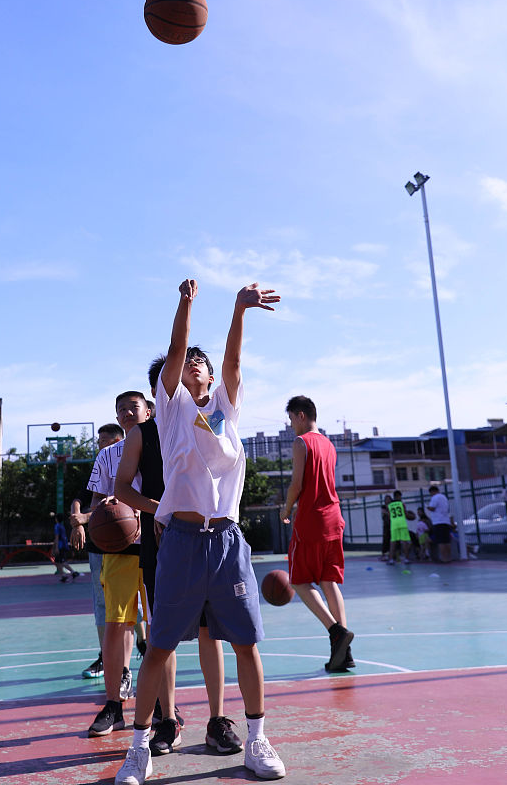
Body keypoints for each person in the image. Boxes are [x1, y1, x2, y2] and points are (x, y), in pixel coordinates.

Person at [113, 280, 286, 785]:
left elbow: (234, 360)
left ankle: (256, 739)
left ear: (211, 374)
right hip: (184, 542)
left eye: (199, 362)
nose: (191, 364)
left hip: (228, 541)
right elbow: (174, 351)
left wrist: (239, 311)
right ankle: (140, 747)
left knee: (246, 644)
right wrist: (185, 305)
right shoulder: (168, 411)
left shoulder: (227, 407)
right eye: (185, 361)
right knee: (162, 647)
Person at [115, 357, 242, 758]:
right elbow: (122, 490)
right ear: (160, 392)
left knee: (210, 629)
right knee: (163, 637)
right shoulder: (142, 436)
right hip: (163, 538)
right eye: (167, 382)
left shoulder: (208, 418)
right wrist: (160, 508)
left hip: (203, 535)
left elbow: (220, 463)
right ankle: (167, 720)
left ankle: (217, 719)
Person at [86, 394, 150, 737]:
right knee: (116, 625)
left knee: (157, 628)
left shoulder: (162, 448)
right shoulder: (107, 455)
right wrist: (97, 513)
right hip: (119, 549)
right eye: (120, 409)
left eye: (133, 407)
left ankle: (162, 706)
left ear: (149, 411)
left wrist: (142, 508)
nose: (126, 413)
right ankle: (114, 705)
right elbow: (97, 499)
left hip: (156, 546)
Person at [279, 396, 354, 673]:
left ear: (300, 415)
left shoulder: (301, 443)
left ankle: (335, 632)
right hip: (334, 518)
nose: (291, 427)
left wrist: (286, 510)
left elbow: (296, 484)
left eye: (290, 420)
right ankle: (344, 651)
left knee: (298, 581)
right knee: (328, 580)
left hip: (311, 519)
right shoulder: (329, 444)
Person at [70, 422, 124, 678]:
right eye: (99, 442)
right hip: (99, 546)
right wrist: (79, 522)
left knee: (134, 604)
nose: (100, 446)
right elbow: (80, 499)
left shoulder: (135, 462)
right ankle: (106, 657)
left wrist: (84, 519)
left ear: (117, 442)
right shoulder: (100, 466)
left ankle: (144, 647)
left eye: (104, 441)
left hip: (130, 544)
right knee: (102, 603)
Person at [425, 483, 452, 563]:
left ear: (432, 492)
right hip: (446, 521)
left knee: (441, 541)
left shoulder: (435, 498)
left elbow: (432, 508)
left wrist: (427, 507)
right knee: (447, 541)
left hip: (438, 522)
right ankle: (449, 557)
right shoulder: (444, 497)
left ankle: (443, 558)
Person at [387, 491, 412, 564]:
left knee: (393, 542)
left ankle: (391, 559)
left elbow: (389, 516)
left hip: (394, 524)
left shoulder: (389, 505)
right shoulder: (402, 504)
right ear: (398, 496)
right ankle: (406, 559)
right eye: (400, 496)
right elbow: (405, 513)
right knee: (404, 541)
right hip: (402, 523)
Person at [52, 512, 77, 582]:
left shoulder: (57, 526)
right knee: (57, 562)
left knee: (61, 561)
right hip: (63, 545)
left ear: (56, 519)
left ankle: (73, 572)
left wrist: (56, 547)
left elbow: (57, 537)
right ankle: (63, 575)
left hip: (60, 546)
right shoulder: (62, 526)